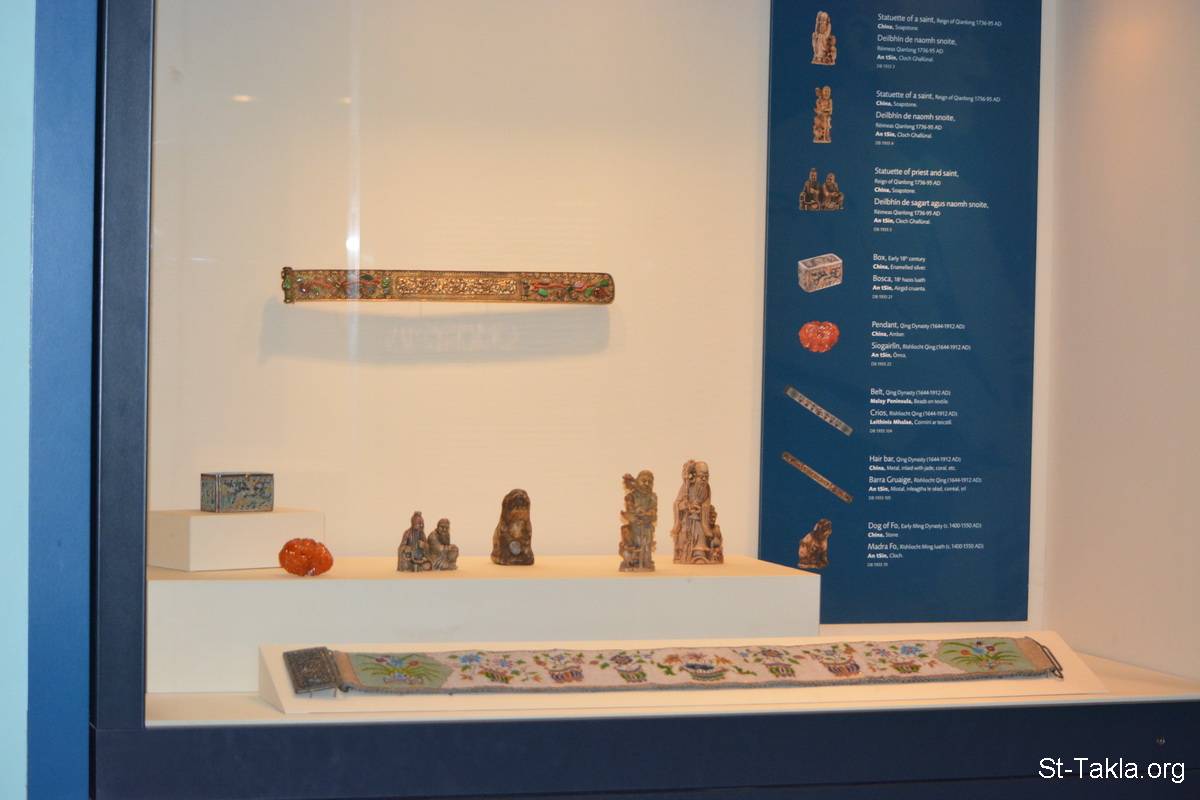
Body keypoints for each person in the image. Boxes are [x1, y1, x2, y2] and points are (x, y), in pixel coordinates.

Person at [671, 460, 723, 564]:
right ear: (694, 476)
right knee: (686, 532)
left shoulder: (707, 488)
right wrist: (686, 506)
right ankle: (685, 554)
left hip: (700, 519)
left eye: (706, 476)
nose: (704, 479)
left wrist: (701, 510)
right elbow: (677, 503)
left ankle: (699, 554)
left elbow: (706, 504)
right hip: (687, 519)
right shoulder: (686, 486)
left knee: (701, 530)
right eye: (701, 476)